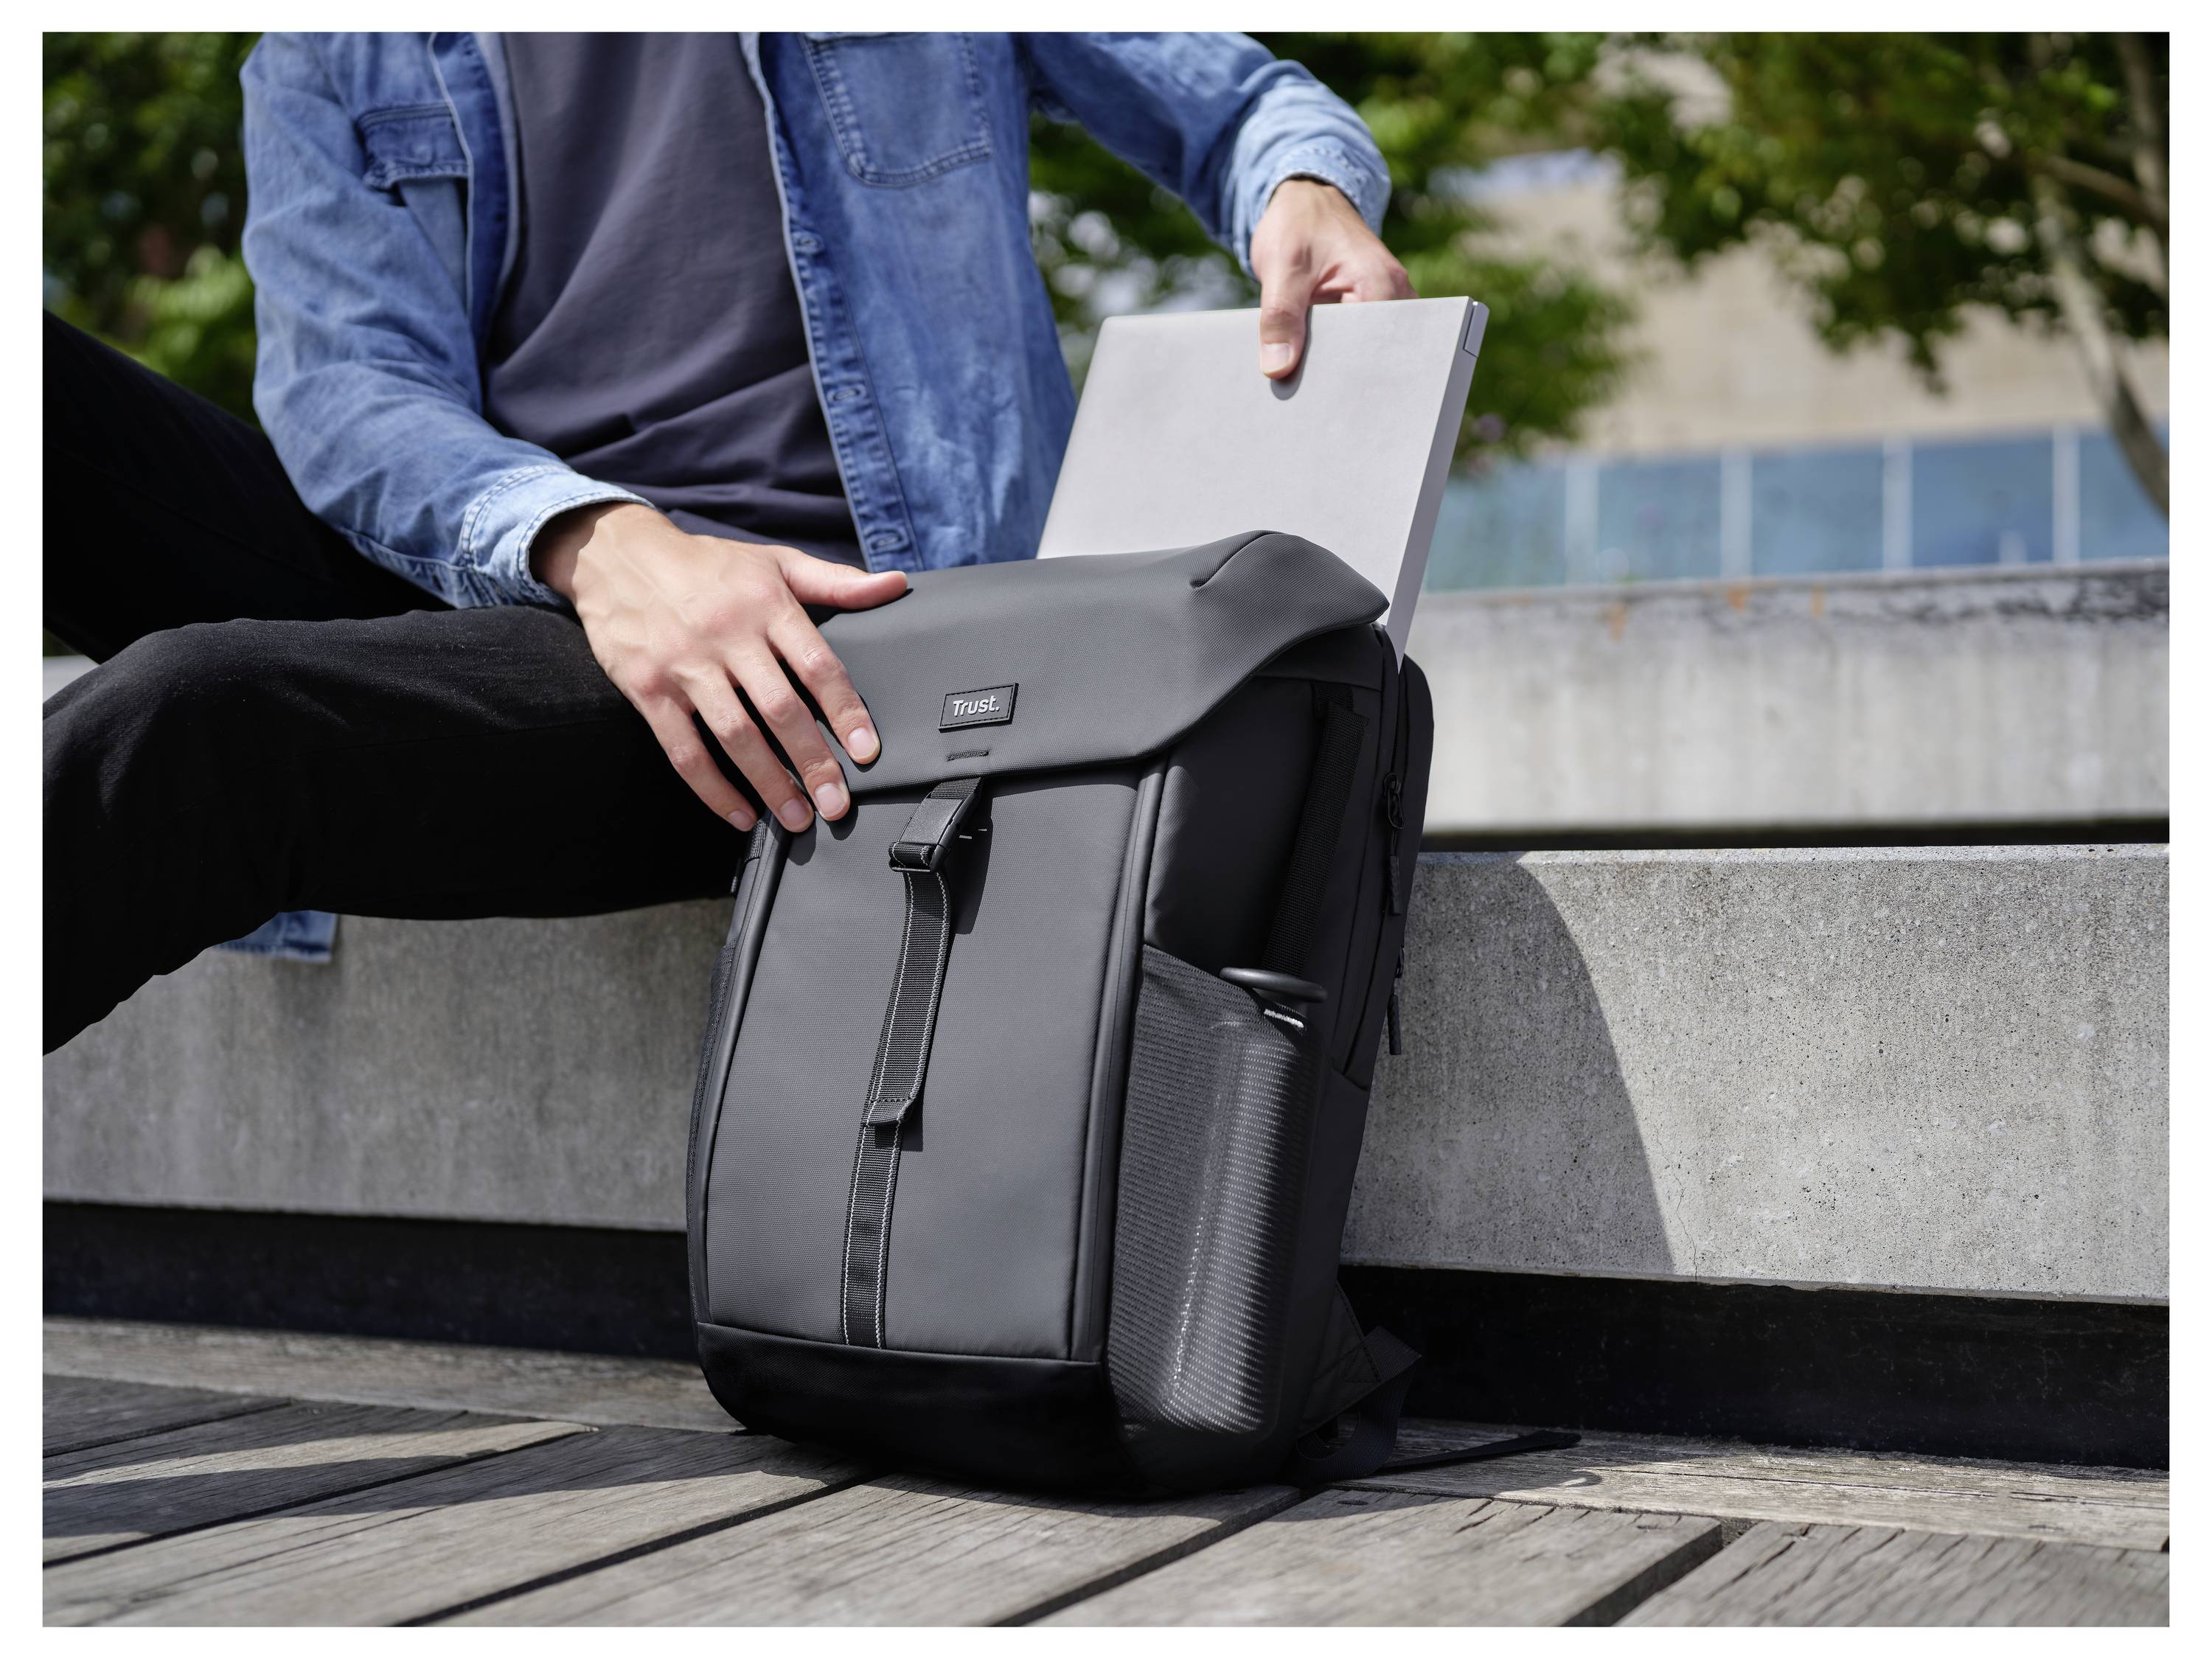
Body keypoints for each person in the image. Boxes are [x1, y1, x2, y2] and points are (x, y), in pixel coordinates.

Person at [43, 32, 1413, 1052]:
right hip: (522, 569)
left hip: (843, 651)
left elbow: (1238, 103)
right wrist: (601, 543)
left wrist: (1301, 187)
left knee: (192, 716)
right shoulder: (342, 40)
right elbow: (350, 401)